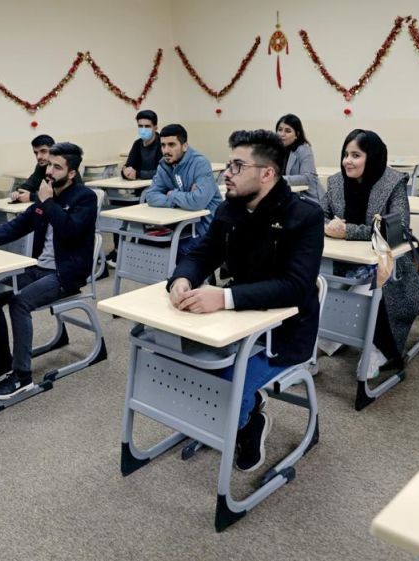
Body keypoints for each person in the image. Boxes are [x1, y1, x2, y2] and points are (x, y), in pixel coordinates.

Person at [167, 129, 323, 472]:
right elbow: (201, 253)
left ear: (267, 173)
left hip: (283, 333)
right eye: (229, 164)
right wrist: (182, 279)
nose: (226, 173)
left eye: (237, 166)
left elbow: (295, 286)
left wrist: (223, 297)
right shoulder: (229, 208)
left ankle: (247, 420)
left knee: (224, 381)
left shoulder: (305, 217)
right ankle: (245, 412)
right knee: (180, 357)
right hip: (234, 323)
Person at [0, 142, 97, 399]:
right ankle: (4, 361)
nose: (50, 171)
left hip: (65, 274)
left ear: (71, 173)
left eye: (57, 167)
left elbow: (70, 230)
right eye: (49, 165)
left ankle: (22, 377)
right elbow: (20, 224)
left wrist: (47, 202)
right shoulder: (45, 198)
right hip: (38, 269)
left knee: (19, 302)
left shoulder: (85, 198)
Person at [323, 129, 419, 376]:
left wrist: (348, 231)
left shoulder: (393, 183)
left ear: (372, 157)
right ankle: (327, 338)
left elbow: (397, 228)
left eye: (356, 155)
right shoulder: (336, 182)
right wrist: (328, 226)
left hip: (389, 265)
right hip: (343, 260)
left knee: (366, 289)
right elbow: (321, 215)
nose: (348, 161)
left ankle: (378, 349)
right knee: (318, 284)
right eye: (346, 154)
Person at [146, 124, 222, 258]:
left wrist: (172, 193)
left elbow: (197, 201)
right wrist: (180, 200)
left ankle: (187, 277)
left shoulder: (200, 163)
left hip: (207, 228)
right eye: (163, 145)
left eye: (171, 145)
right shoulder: (164, 165)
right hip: (181, 227)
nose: (166, 150)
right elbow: (151, 196)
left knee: (176, 251)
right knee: (146, 243)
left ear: (185, 146)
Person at [106, 109, 163, 268]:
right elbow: (129, 165)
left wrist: (138, 173)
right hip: (138, 191)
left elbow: (161, 171)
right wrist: (126, 171)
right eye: (140, 126)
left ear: (155, 127)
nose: (143, 129)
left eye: (147, 126)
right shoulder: (137, 144)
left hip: (155, 192)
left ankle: (128, 250)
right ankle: (118, 249)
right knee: (118, 211)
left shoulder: (161, 145)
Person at [276, 113, 321, 205]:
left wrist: (280, 180)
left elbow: (307, 178)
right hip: (284, 195)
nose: (282, 134)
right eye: (280, 130)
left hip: (306, 197)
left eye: (288, 131)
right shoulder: (274, 150)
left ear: (297, 134)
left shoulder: (304, 149)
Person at [11, 134, 55, 203]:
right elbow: (30, 184)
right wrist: (18, 192)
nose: (38, 157)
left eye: (43, 151)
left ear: (53, 150)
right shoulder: (41, 166)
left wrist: (31, 197)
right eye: (36, 153)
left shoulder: (62, 167)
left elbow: (59, 196)